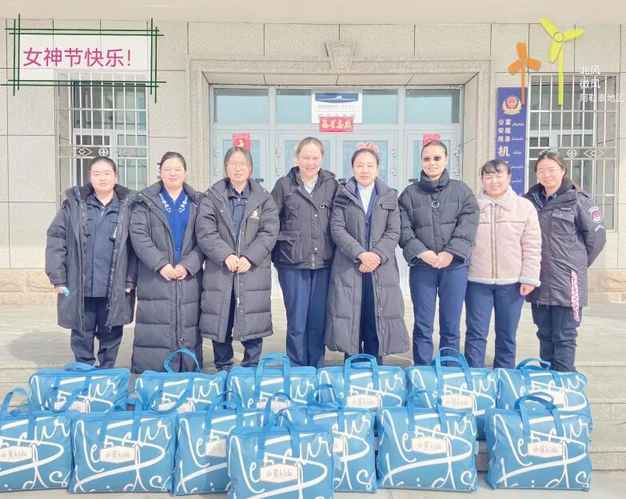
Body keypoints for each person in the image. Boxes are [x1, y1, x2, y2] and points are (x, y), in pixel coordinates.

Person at [45, 156, 136, 368]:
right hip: (81, 285)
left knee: (111, 332)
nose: (102, 178)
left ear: (116, 177)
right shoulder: (74, 206)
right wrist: (58, 277)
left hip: (114, 286)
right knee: (81, 333)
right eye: (97, 174)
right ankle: (84, 370)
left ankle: (106, 372)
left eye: (107, 173)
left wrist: (131, 280)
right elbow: (56, 239)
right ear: (90, 177)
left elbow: (136, 247)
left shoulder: (129, 208)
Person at [196, 146, 279, 370]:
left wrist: (250, 258)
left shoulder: (264, 199)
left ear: (250, 168)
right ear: (226, 167)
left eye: (242, 164)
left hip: (252, 270)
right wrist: (225, 255)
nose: (238, 168)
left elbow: (269, 232)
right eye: (233, 164)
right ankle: (223, 366)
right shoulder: (212, 197)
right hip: (221, 269)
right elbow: (205, 231)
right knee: (222, 317)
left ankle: (251, 367)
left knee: (252, 317)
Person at [524, 150, 606, 372]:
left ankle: (564, 381)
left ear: (563, 170)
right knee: (544, 334)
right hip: (539, 279)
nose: (546, 174)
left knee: (564, 335)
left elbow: (596, 238)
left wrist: (577, 265)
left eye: (551, 169)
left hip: (568, 281)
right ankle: (548, 380)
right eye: (541, 170)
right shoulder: (530, 201)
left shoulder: (578, 200)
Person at [399, 139, 479, 365]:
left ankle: (449, 367)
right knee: (423, 322)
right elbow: (403, 229)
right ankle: (423, 369)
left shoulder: (461, 191)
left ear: (446, 160)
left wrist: (450, 253)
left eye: (437, 158)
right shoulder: (409, 194)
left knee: (450, 323)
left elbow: (468, 224)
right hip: (422, 267)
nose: (432, 163)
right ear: (421, 161)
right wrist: (422, 252)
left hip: (454, 267)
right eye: (427, 158)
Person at [326, 145, 409, 362]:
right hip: (349, 267)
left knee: (376, 319)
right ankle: (351, 368)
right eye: (359, 165)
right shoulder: (343, 195)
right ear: (352, 168)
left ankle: (375, 370)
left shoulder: (389, 196)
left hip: (381, 269)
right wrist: (361, 254)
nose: (364, 170)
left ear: (377, 168)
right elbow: (337, 228)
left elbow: (394, 231)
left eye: (369, 165)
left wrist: (376, 256)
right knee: (352, 318)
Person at [129, 151, 204, 373]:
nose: (173, 173)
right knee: (156, 323)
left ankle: (186, 367)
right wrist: (161, 264)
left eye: (177, 169)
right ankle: (153, 372)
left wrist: (188, 265)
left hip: (188, 276)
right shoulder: (145, 202)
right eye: (167, 169)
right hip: (155, 275)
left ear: (185, 173)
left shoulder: (198, 203)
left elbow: (205, 238)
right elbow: (139, 236)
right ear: (160, 172)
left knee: (188, 322)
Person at [464, 159, 541, 368]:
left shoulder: (523, 207)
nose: (494, 181)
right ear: (482, 179)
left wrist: (529, 277)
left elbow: (532, 245)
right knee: (476, 333)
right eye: (488, 176)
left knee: (507, 334)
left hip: (512, 282)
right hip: (477, 281)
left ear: (509, 178)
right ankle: (475, 377)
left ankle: (504, 375)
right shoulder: (471, 206)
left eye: (499, 175)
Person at [271, 137, 339, 367]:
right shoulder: (284, 185)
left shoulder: (332, 185)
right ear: (297, 158)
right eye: (306, 157)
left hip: (324, 263)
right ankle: (298, 368)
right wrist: (281, 249)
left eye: (315, 158)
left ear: (322, 159)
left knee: (318, 319)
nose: (310, 162)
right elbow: (271, 222)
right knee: (297, 320)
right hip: (292, 263)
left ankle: (316, 365)